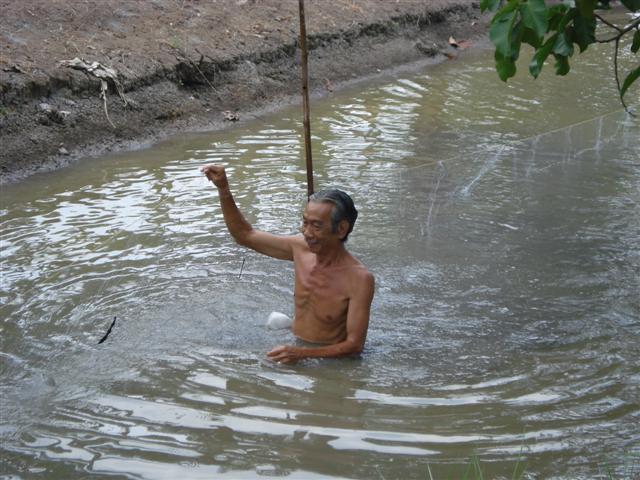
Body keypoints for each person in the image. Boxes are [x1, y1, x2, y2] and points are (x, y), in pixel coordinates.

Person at [201, 164, 375, 364]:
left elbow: (354, 345)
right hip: (296, 346)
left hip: (328, 361)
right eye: (305, 222)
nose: (306, 232)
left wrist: (302, 354)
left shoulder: (359, 279)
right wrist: (223, 189)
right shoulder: (300, 247)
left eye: (316, 226)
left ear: (341, 229)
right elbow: (244, 235)